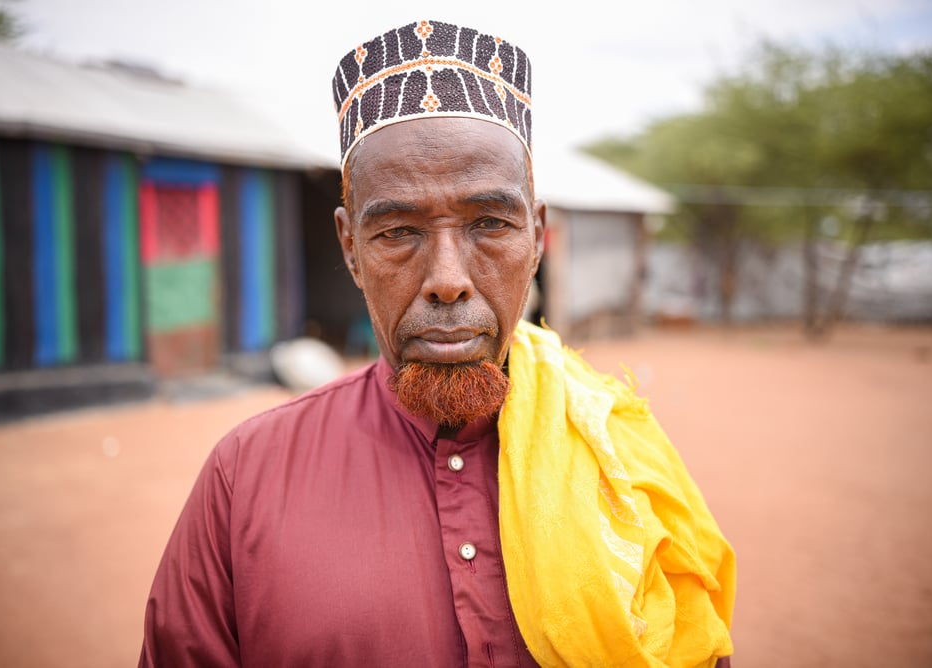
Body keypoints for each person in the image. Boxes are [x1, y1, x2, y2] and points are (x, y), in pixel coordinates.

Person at [139, 18, 735, 668]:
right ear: (350, 248)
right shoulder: (245, 479)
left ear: (536, 237)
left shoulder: (621, 461)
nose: (447, 281)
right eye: (398, 231)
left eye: (489, 223)